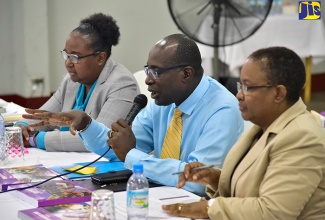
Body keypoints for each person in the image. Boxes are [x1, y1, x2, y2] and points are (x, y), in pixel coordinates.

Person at [23, 33, 244, 196]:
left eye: (156, 72)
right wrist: (86, 123)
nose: (147, 80)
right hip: (162, 195)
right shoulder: (163, 102)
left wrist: (131, 154)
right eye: (148, 69)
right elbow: (119, 149)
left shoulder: (220, 110)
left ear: (186, 74)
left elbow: (198, 181)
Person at [161, 46, 325, 219]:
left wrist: (208, 207)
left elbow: (273, 212)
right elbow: (256, 185)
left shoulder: (301, 137)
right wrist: (214, 178)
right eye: (240, 85)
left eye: (248, 87)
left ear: (278, 93)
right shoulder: (262, 126)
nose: (239, 95)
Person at [16, 13, 139, 152]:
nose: (68, 62)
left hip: (101, 166)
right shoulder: (71, 80)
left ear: (100, 58)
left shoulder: (122, 83)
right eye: (66, 55)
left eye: (75, 57)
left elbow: (101, 138)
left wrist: (36, 138)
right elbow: (43, 116)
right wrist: (21, 127)